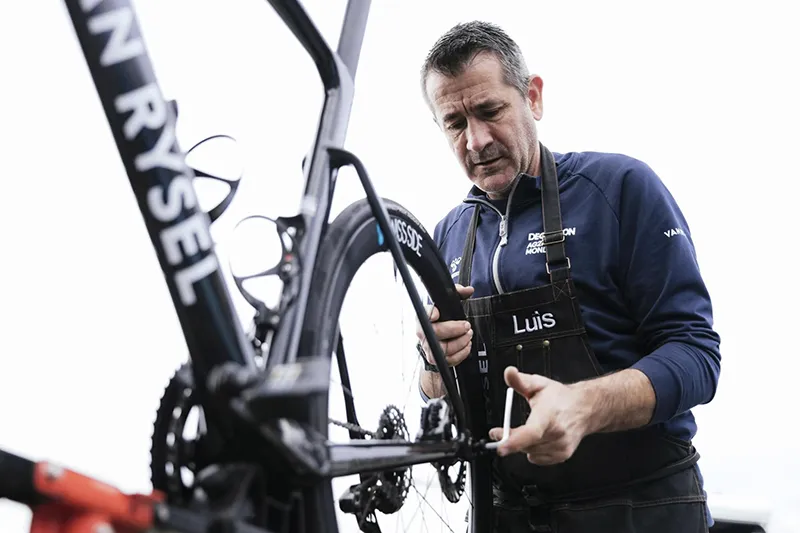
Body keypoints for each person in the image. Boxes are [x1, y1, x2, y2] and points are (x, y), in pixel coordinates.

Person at [415, 21, 722, 533]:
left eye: (490, 111)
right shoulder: (447, 235)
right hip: (507, 517)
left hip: (641, 510)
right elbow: (434, 388)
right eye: (454, 122)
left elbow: (696, 355)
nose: (477, 139)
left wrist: (584, 406)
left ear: (532, 97)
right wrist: (434, 365)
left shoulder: (621, 188)